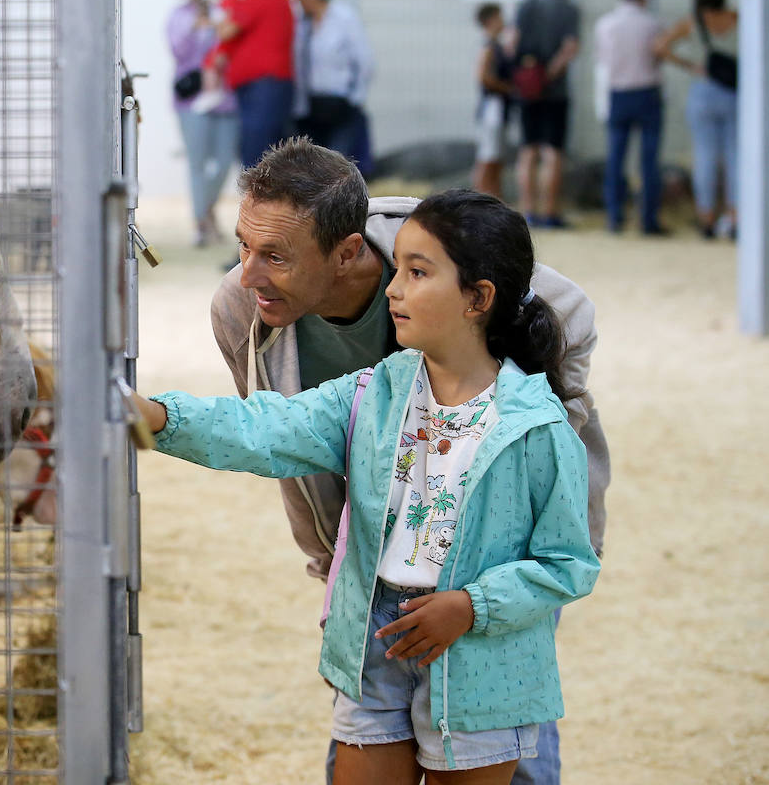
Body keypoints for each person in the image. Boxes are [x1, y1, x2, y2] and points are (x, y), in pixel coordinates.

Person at [133, 185, 601, 784]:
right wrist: (160, 417)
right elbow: (269, 427)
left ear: (477, 298)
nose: (393, 289)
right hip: (374, 639)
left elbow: (568, 562)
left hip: (481, 653)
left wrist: (472, 607)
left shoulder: (537, 426)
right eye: (397, 268)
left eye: (417, 272)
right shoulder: (372, 392)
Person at [655, 0, 739, 239]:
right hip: (736, 92)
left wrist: (690, 66)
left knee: (705, 156)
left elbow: (660, 47)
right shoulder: (737, 19)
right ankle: (735, 216)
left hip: (703, 91)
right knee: (736, 158)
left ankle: (707, 219)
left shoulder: (692, 22)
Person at [167, 0, 240, 246]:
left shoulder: (223, 10)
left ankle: (206, 209)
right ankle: (200, 221)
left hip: (226, 97)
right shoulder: (177, 16)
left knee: (223, 163)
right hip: (192, 101)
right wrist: (194, 26)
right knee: (197, 163)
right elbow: (177, 51)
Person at [593, 0, 670, 235]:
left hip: (618, 94)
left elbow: (603, 61)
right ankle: (648, 220)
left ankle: (614, 217)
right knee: (649, 160)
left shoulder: (605, 24)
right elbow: (659, 55)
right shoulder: (652, 24)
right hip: (647, 93)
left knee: (615, 157)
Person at [213, 0, 296, 169]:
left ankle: (260, 202)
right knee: (260, 150)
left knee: (257, 153)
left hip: (264, 84)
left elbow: (226, 30)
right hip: (265, 84)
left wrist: (223, 5)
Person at [514, 0, 581, 228]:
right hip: (555, 92)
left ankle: (528, 211)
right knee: (552, 152)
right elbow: (570, 48)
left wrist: (529, 79)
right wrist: (549, 75)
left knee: (528, 151)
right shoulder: (569, 10)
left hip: (526, 90)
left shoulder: (527, 5)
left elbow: (512, 41)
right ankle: (549, 212)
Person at [292, 0, 375, 167]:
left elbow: (365, 61)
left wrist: (356, 97)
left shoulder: (344, 18)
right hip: (309, 106)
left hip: (339, 104)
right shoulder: (302, 23)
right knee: (310, 167)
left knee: (334, 165)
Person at [470, 3, 514, 198]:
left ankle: (494, 198)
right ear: (490, 21)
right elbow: (483, 76)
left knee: (496, 158)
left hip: (500, 108)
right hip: (492, 109)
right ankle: (480, 199)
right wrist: (508, 87)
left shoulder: (498, 45)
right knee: (488, 157)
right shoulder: (489, 47)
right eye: (499, 17)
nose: (503, 21)